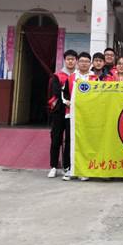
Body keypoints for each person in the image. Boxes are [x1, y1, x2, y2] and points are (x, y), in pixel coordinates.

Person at [62, 51, 96, 181]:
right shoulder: (71, 78)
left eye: (87, 61)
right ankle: (69, 169)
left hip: (88, 116)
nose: (84, 64)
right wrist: (67, 102)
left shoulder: (94, 79)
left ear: (90, 63)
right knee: (70, 141)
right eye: (81, 61)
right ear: (77, 62)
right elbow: (64, 94)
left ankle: (84, 169)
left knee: (86, 141)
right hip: (72, 115)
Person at [47, 49, 77, 178]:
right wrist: (67, 101)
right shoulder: (57, 76)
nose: (70, 61)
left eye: (73, 59)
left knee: (69, 140)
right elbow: (56, 92)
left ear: (76, 61)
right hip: (59, 111)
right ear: (65, 60)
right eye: (68, 59)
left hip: (72, 112)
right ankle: (53, 166)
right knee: (56, 139)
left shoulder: (78, 76)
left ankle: (67, 166)